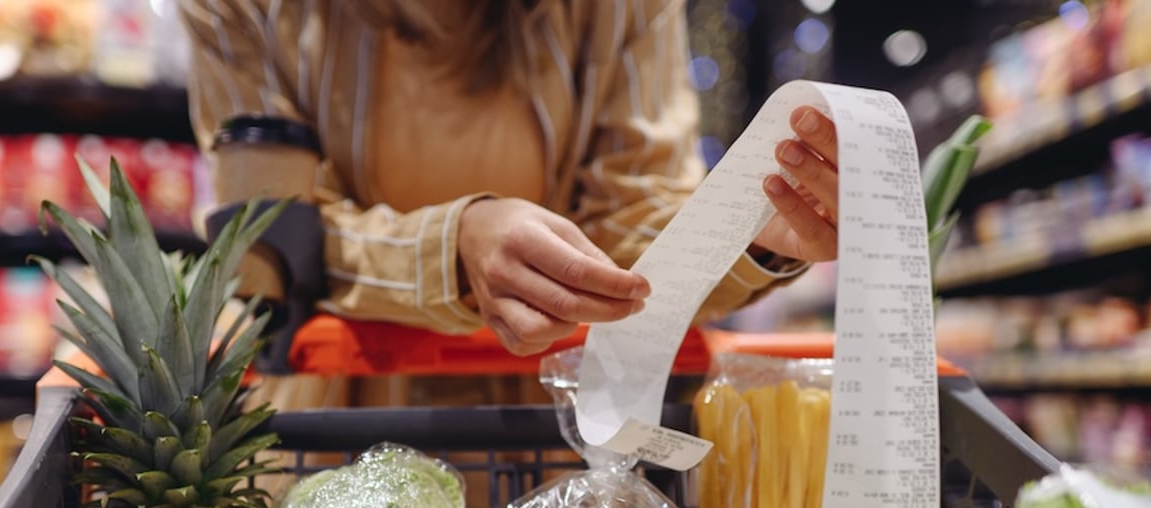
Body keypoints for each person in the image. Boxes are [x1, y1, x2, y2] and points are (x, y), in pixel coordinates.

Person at [176, 0, 839, 409]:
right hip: (336, 428)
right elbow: (267, 241)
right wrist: (453, 249)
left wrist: (752, 233)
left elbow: (634, 215)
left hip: (550, 432)